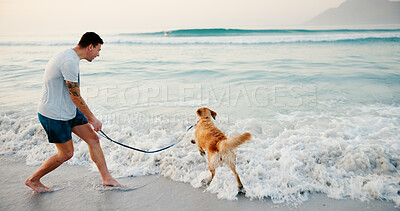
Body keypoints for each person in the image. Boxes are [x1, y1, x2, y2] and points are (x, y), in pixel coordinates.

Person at [25, 32, 123, 193]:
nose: (98, 54)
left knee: (93, 139)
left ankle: (107, 179)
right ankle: (33, 180)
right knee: (66, 154)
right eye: (98, 50)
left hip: (69, 109)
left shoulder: (70, 57)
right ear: (90, 47)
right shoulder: (69, 61)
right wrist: (93, 118)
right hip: (54, 114)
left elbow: (72, 98)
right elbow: (75, 96)